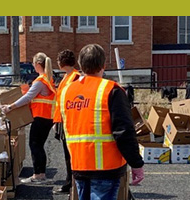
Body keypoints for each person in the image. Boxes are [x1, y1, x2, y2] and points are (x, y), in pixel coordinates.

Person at [58, 44, 145, 200]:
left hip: (79, 165)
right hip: (106, 167)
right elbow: (124, 132)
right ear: (103, 65)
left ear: (80, 65)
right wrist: (136, 163)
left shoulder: (67, 91)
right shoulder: (111, 90)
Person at [0, 52, 56, 184]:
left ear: (37, 64)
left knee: (35, 145)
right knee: (39, 145)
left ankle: (39, 175)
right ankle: (40, 173)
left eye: (33, 63)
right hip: (47, 117)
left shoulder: (40, 81)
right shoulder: (48, 80)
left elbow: (27, 97)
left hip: (41, 117)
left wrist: (10, 107)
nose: (32, 65)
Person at [52, 49, 81, 194]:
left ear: (62, 62)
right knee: (67, 155)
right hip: (63, 120)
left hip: (69, 121)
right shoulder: (67, 76)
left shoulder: (74, 77)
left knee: (71, 155)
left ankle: (71, 183)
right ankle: (70, 182)